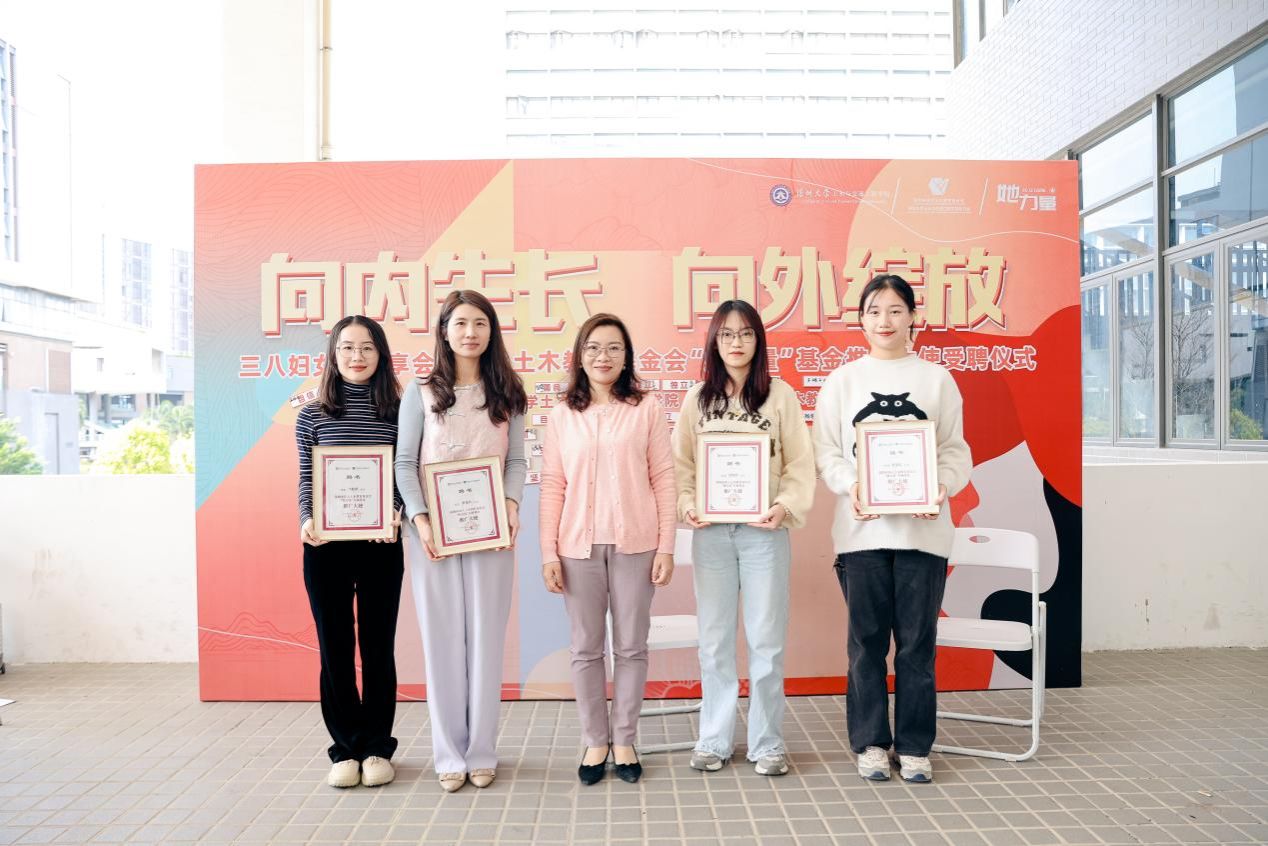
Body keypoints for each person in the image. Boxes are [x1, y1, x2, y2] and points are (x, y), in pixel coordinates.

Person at [812, 273, 972, 784]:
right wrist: (852, 486)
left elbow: (955, 450)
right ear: (861, 320)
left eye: (895, 310)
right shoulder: (842, 381)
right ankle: (871, 744)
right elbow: (827, 452)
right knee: (866, 645)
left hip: (923, 535)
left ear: (912, 318)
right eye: (874, 311)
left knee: (918, 646)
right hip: (862, 536)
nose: (885, 320)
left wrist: (940, 487)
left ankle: (916, 746)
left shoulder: (937, 380)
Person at [671, 299, 815, 777]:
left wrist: (785, 506)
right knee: (714, 641)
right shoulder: (697, 399)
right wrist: (687, 504)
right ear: (714, 341)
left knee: (766, 641)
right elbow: (681, 466)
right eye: (727, 334)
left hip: (763, 535)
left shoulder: (780, 396)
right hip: (711, 535)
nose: (736, 342)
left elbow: (800, 463)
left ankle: (767, 742)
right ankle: (713, 739)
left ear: (759, 340)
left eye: (746, 333)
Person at [394, 289, 528, 793]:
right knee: (443, 642)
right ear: (444, 331)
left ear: (491, 332)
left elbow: (517, 460)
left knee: (487, 642)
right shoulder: (420, 392)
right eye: (461, 323)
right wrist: (421, 520)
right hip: (432, 535)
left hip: (491, 532)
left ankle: (482, 752)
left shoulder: (508, 392)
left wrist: (510, 506)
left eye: (480, 323)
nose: (470, 332)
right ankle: (449, 754)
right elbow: (404, 462)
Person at [539, 313, 676, 785]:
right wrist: (548, 552)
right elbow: (553, 484)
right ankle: (595, 740)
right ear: (580, 355)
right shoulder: (563, 414)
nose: (604, 356)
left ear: (626, 356)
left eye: (614, 347)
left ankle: (625, 739)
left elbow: (664, 478)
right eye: (594, 347)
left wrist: (666, 546)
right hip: (577, 548)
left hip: (637, 544)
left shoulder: (647, 408)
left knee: (632, 646)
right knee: (585, 648)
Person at [296, 315, 405, 789]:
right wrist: (306, 519)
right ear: (333, 354)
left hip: (382, 544)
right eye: (346, 348)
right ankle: (345, 748)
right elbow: (306, 476)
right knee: (334, 648)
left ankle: (377, 746)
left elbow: (405, 470)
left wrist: (396, 512)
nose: (356, 356)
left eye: (366, 347)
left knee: (378, 648)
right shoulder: (312, 413)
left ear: (381, 354)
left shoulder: (399, 410)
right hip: (326, 547)